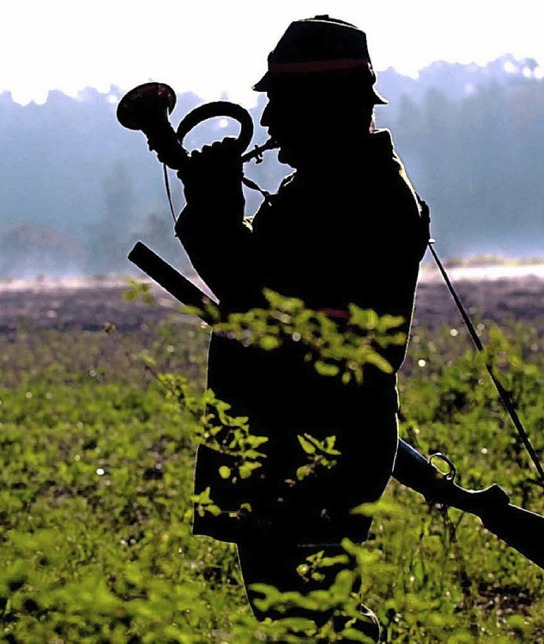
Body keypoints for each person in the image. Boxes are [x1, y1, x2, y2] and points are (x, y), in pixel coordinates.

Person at [173, 15, 501, 641]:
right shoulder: (335, 187)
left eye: (281, 105)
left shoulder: (356, 196)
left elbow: (259, 305)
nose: (267, 124)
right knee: (296, 610)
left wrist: (214, 214)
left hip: (313, 443)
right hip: (298, 436)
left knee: (308, 617)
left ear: (324, 107)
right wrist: (216, 213)